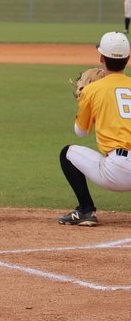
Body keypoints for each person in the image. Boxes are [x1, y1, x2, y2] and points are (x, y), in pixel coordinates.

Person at [58, 31, 131, 226]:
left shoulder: (92, 90)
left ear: (101, 57)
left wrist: (84, 100)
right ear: (128, 58)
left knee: (67, 154)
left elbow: (81, 132)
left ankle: (85, 210)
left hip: (117, 171)